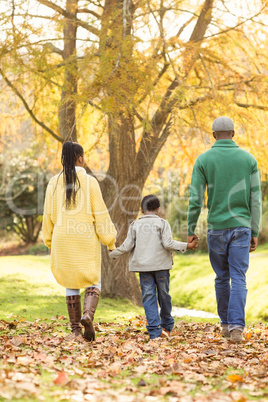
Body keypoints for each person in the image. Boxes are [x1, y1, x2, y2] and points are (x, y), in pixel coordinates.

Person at [187, 116, 262, 343]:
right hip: (241, 227)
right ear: (233, 134)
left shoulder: (203, 160)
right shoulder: (248, 159)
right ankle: (237, 327)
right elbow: (255, 199)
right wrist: (255, 230)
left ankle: (225, 324)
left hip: (217, 228)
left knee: (221, 277)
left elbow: (195, 198)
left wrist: (190, 228)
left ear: (213, 135)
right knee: (239, 277)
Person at [42, 141, 117, 341]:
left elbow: (47, 215)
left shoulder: (53, 183)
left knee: (70, 282)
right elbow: (100, 214)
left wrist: (49, 242)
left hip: (61, 238)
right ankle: (88, 315)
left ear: (63, 158)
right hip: (84, 238)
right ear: (81, 158)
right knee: (94, 279)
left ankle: (75, 331)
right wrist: (110, 242)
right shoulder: (90, 182)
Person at [109, 194, 198, 340]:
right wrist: (187, 246)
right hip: (161, 267)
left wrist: (114, 253)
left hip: (144, 268)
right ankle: (167, 326)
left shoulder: (135, 225)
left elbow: (127, 246)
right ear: (157, 208)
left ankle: (154, 332)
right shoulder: (162, 224)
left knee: (149, 297)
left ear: (142, 210)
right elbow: (168, 243)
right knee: (164, 296)